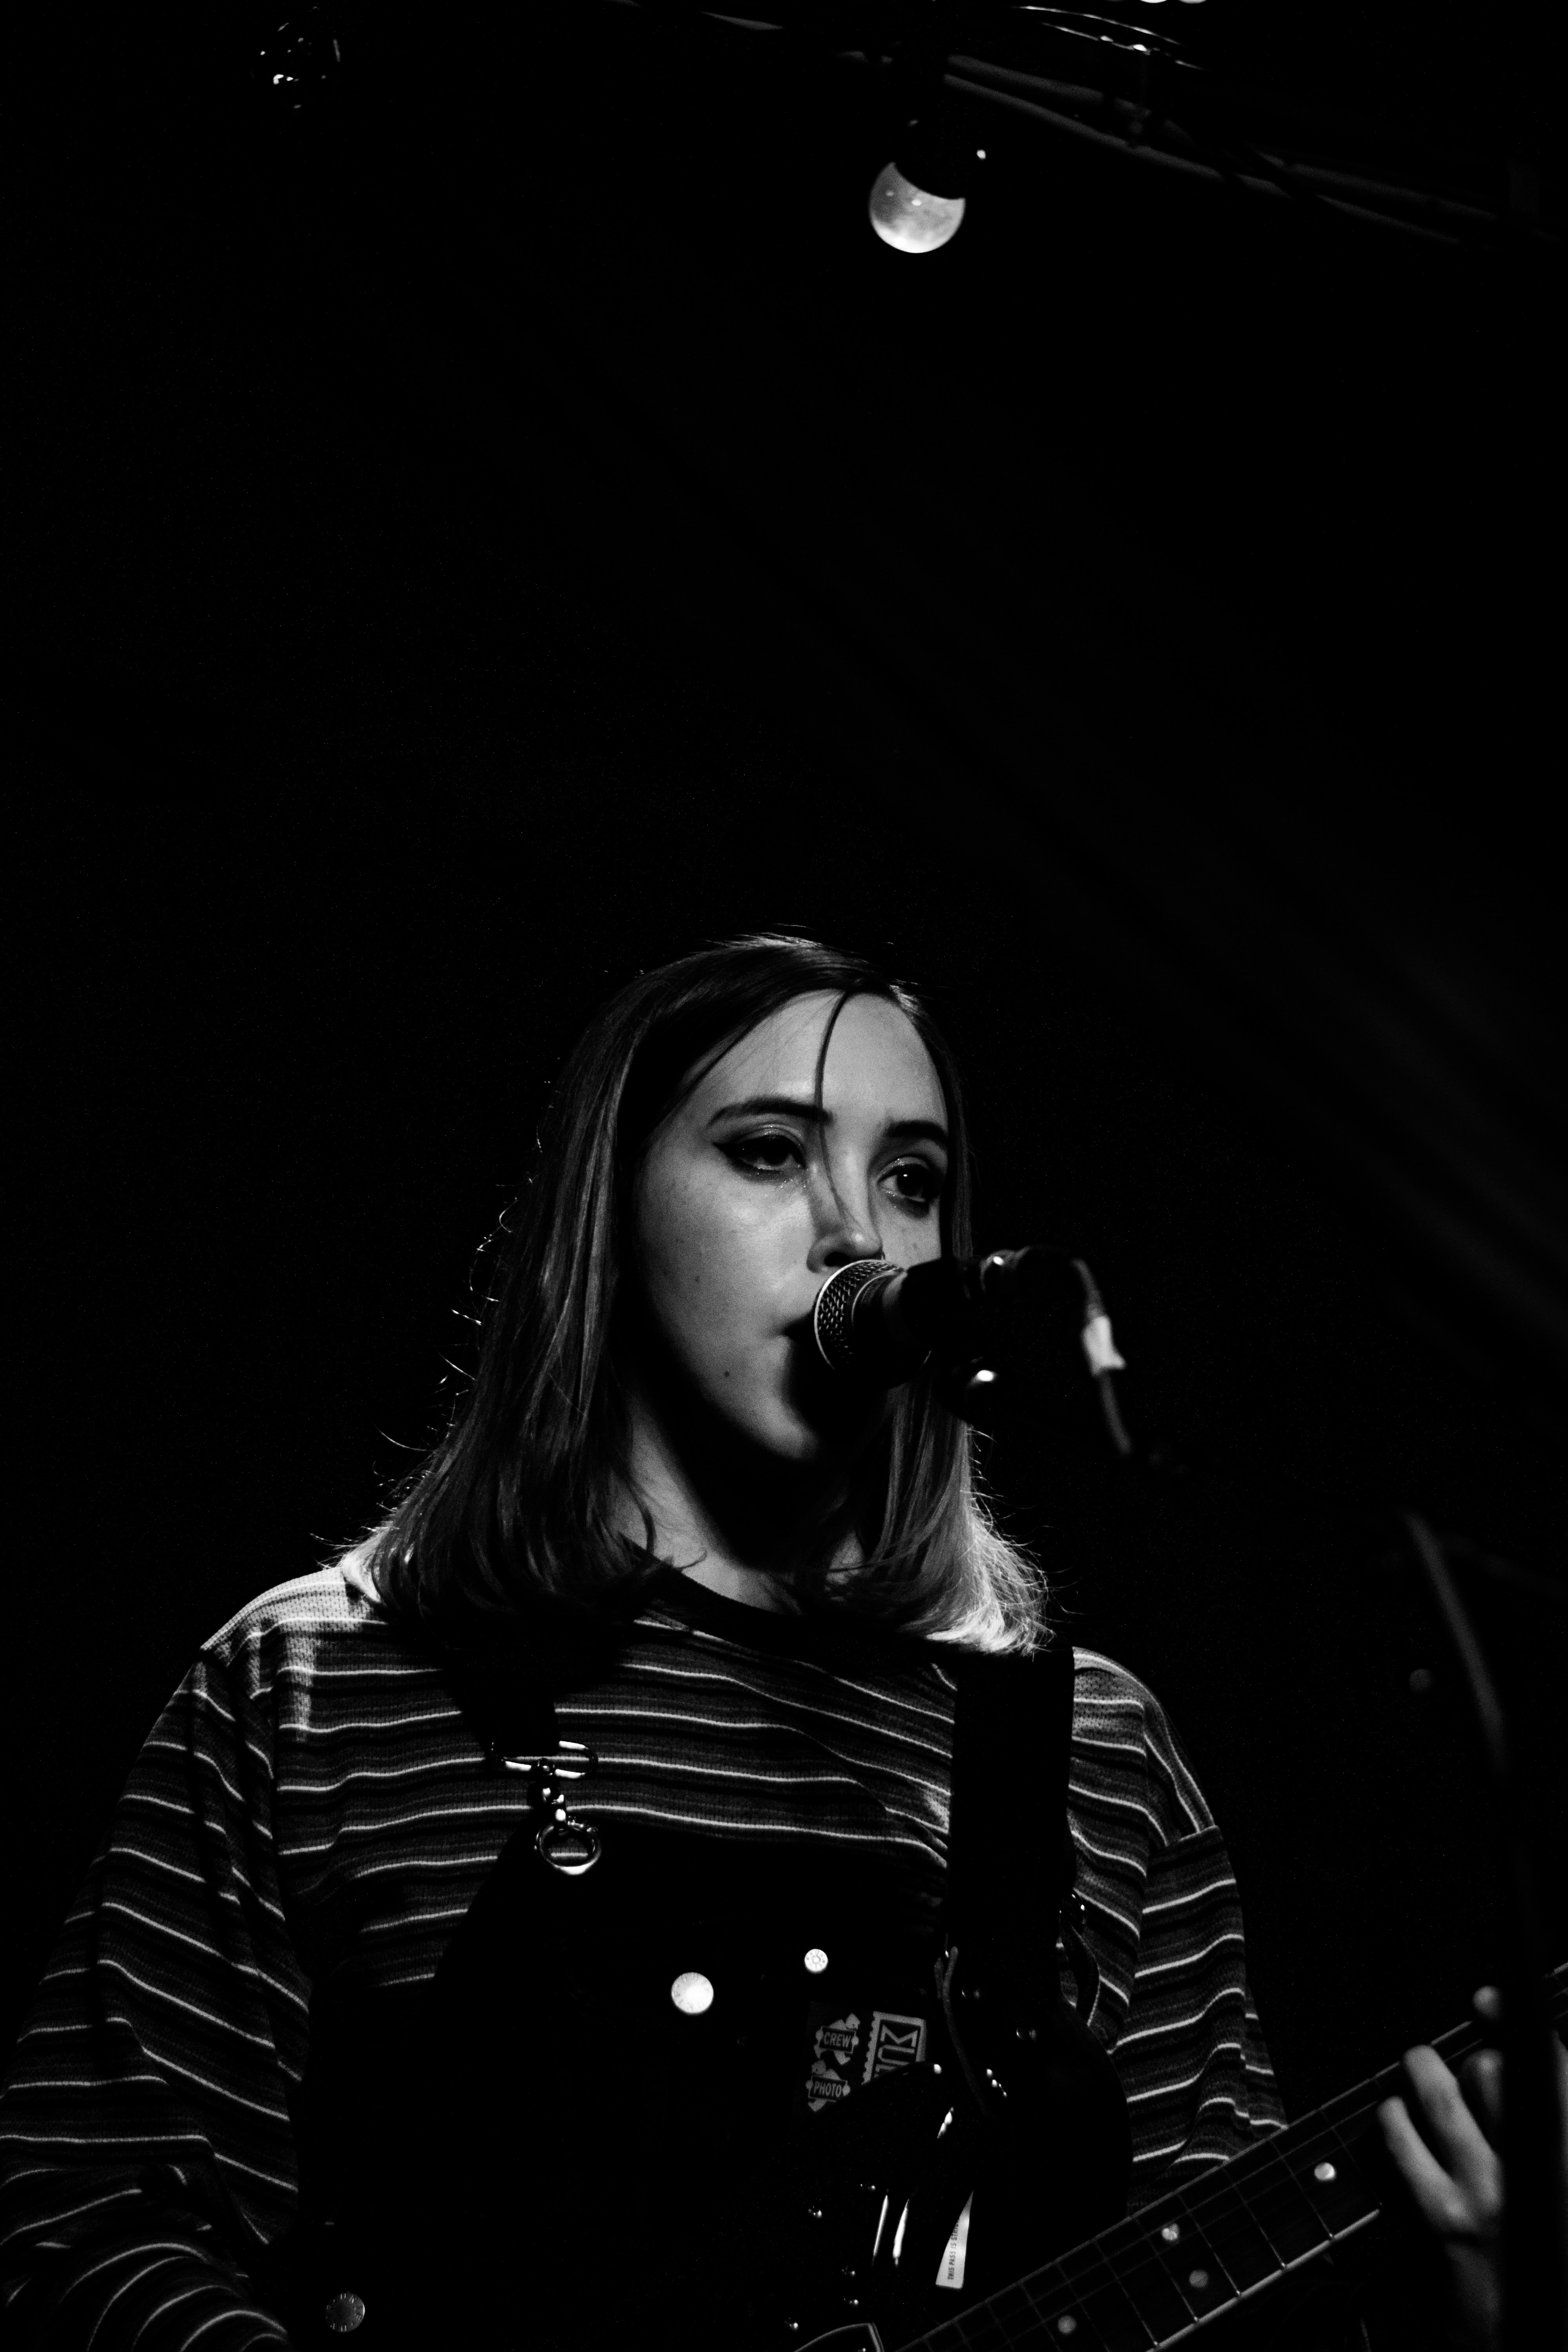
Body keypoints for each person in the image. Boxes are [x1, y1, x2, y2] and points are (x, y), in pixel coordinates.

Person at [0, 933, 1372, 2352]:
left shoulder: (1088, 1753)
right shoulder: (322, 1682)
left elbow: (1218, 2283)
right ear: (609, 1216)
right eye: (771, 1153)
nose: (860, 1238)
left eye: (912, 1181)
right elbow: (89, 2229)